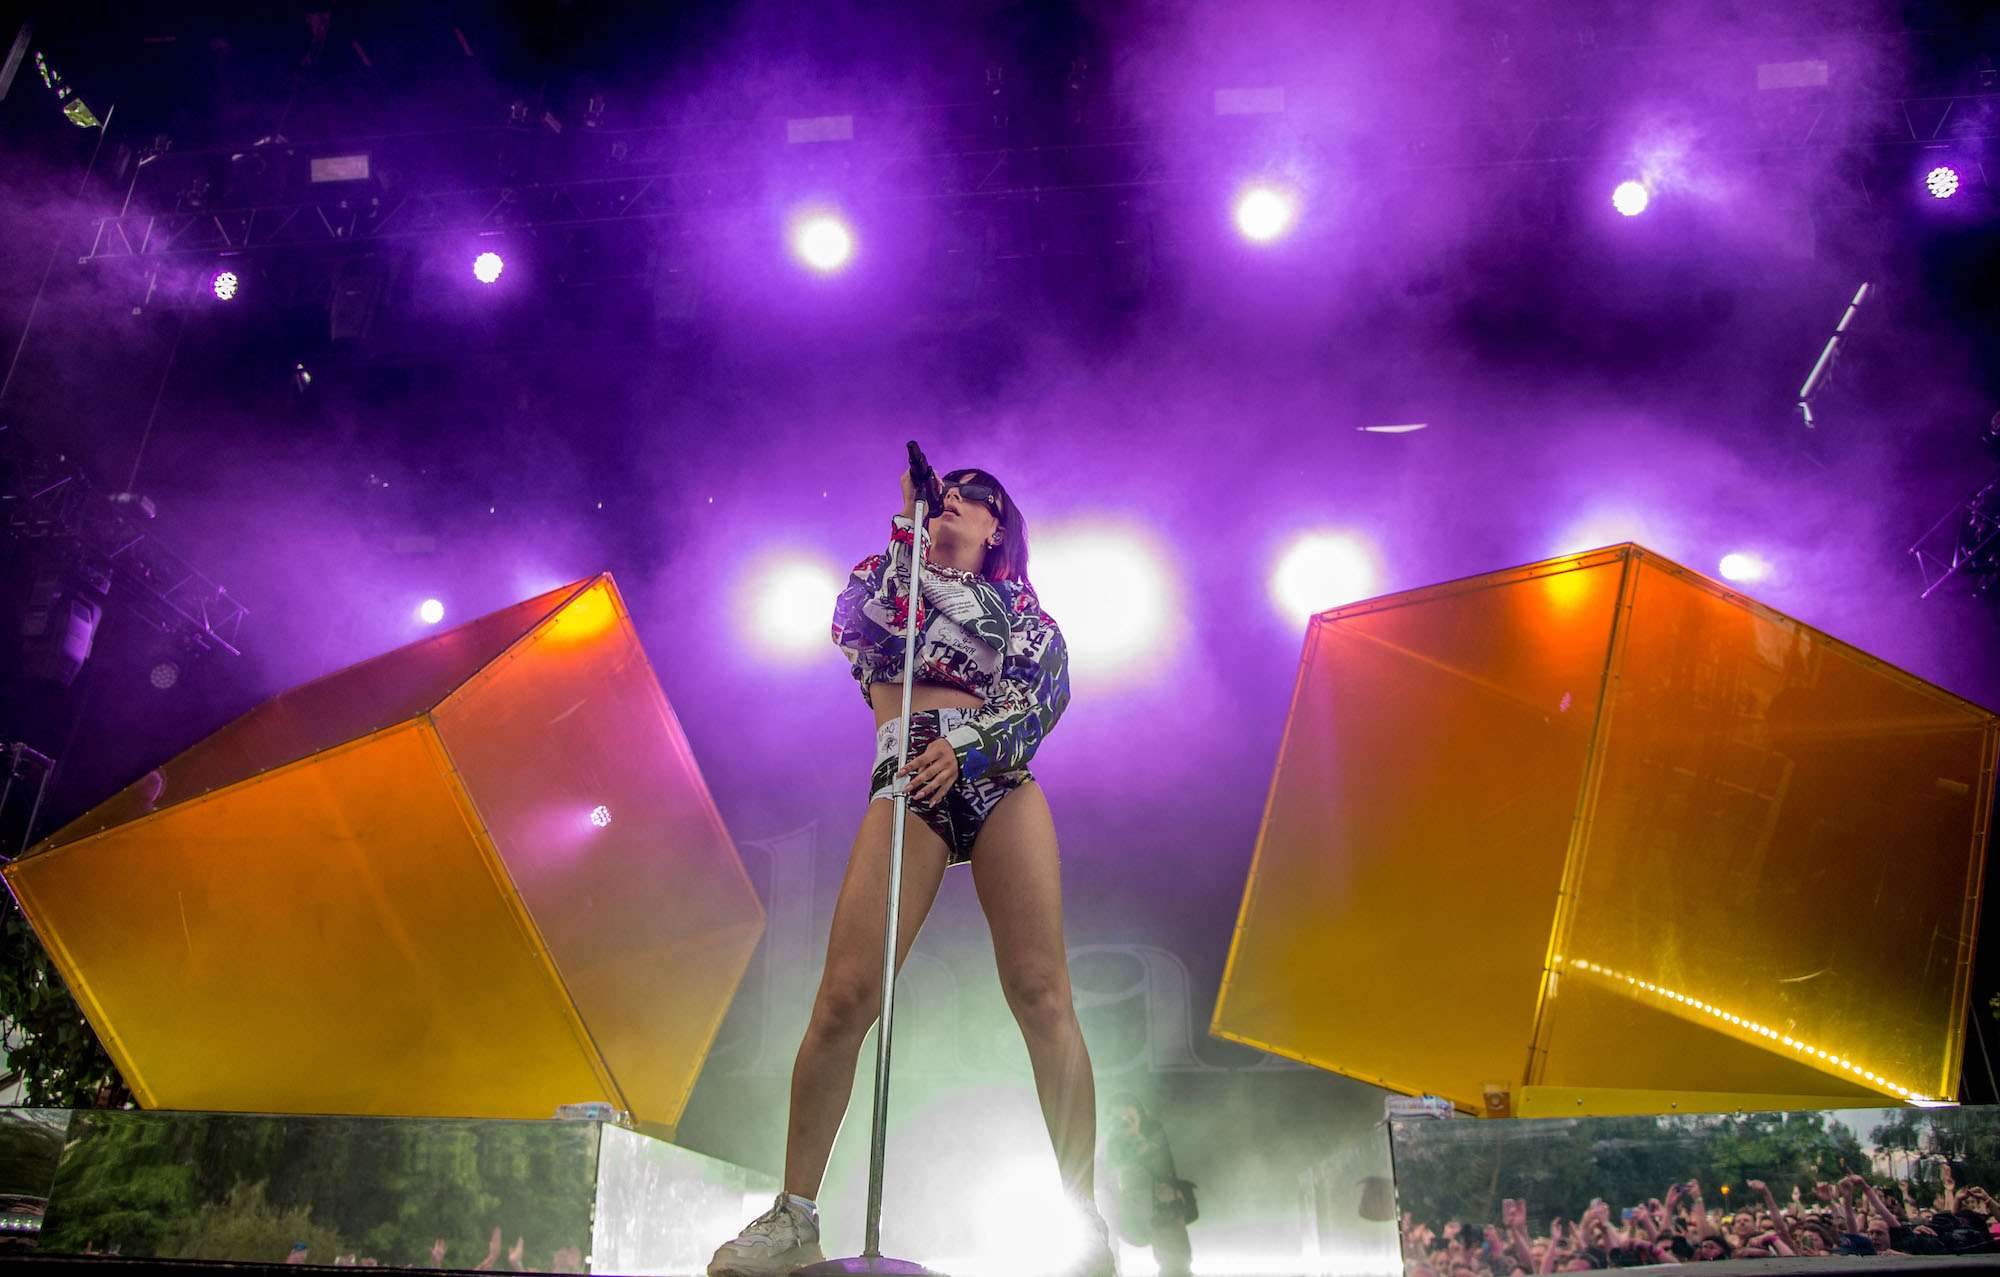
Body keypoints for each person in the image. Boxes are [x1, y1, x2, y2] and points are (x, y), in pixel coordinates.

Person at [709, 466, 1105, 1277]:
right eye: (944, 487)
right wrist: (908, 532)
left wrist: (967, 748)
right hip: (905, 778)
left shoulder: (1024, 613)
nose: (953, 493)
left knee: (1041, 990)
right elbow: (865, 630)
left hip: (995, 779)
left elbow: (1041, 702)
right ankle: (794, 1215)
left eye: (975, 492)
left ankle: (1083, 1213)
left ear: (998, 527)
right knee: (845, 995)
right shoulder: (884, 573)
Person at [1104, 1094, 1195, 1277]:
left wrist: (1142, 1147)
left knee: (1169, 1205)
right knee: (1095, 1213)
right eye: (1116, 1120)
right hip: (1118, 1213)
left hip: (1155, 1212)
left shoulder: (1151, 1144)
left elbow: (1167, 1174)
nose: (1123, 1124)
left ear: (1140, 1120)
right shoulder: (1100, 1145)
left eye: (1129, 1119)